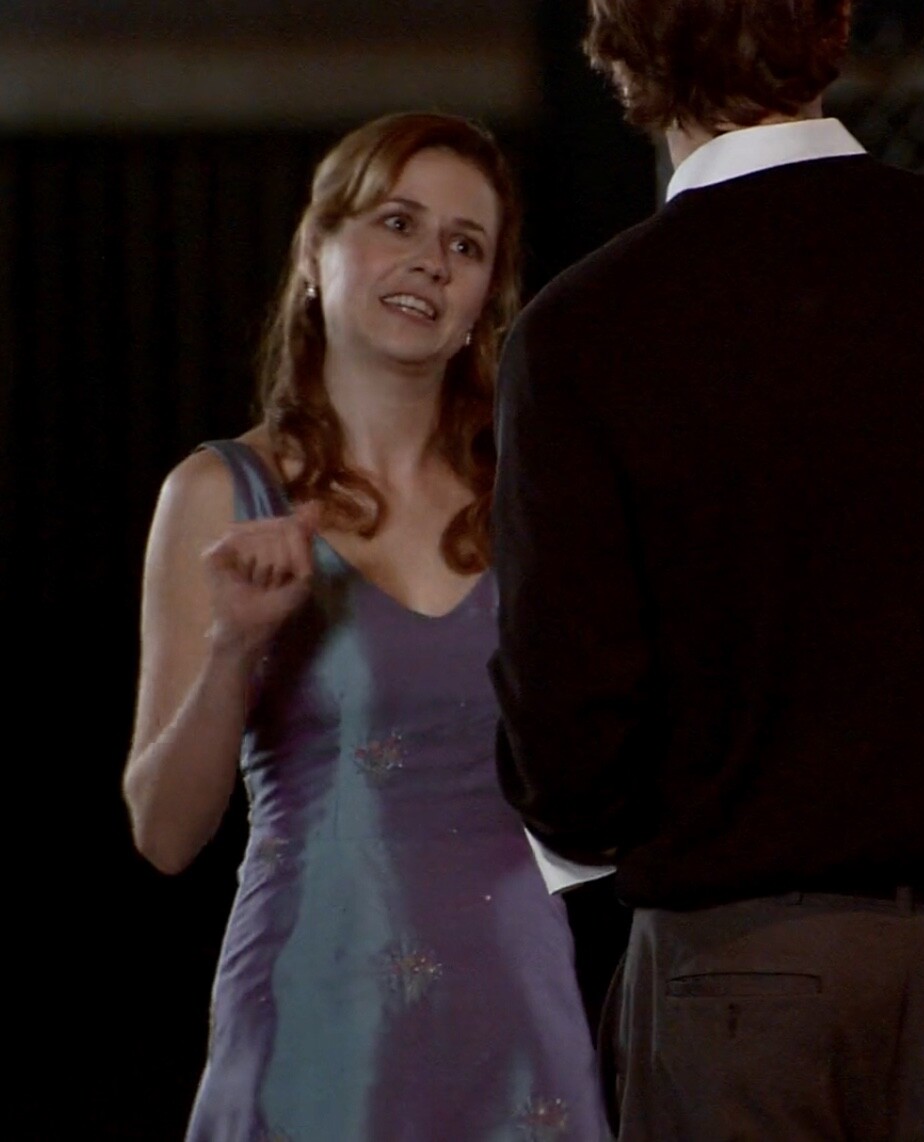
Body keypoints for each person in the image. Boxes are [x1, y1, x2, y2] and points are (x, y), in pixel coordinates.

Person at [489, 2, 924, 1139]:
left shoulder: (587, 329)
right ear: (830, 29)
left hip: (740, 966)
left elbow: (566, 733)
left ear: (627, 62)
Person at [123, 111, 609, 1142]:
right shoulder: (217, 492)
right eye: (398, 222)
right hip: (315, 1020)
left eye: (465, 245)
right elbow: (162, 834)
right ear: (316, 250)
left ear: (484, 300)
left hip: (517, 1021)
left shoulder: (532, 497)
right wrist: (235, 648)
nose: (430, 260)